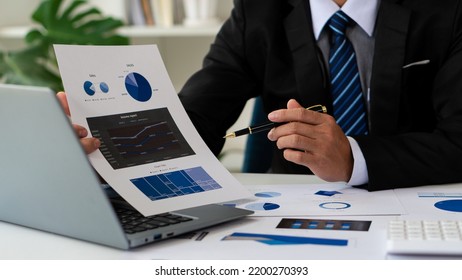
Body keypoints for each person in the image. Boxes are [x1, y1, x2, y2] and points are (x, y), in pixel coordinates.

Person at [60, 0, 462, 191]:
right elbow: (197, 117)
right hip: (295, 213)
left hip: (418, 197)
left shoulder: (449, 11)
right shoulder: (258, 11)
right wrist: (109, 149)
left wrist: (353, 158)